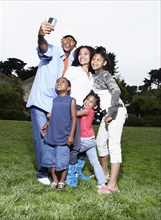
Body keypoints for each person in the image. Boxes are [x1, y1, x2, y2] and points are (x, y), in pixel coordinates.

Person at [26, 20, 77, 185]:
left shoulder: (70, 64)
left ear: (74, 46)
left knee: (55, 138)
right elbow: (43, 46)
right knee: (42, 138)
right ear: (61, 41)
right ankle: (42, 172)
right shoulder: (53, 51)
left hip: (56, 105)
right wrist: (40, 34)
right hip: (41, 101)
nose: (69, 42)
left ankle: (56, 170)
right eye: (66, 39)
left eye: (72, 41)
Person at [91, 46, 127, 194]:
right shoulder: (95, 76)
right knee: (100, 142)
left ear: (104, 63)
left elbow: (116, 90)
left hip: (116, 111)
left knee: (113, 145)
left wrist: (111, 113)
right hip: (108, 114)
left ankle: (113, 186)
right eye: (93, 59)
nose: (94, 61)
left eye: (98, 59)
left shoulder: (105, 74)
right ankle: (104, 173)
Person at [64, 45, 94, 187]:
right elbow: (63, 85)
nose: (82, 56)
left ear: (91, 57)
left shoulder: (92, 76)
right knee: (75, 143)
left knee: (84, 142)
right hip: (73, 108)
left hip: (85, 111)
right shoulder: (73, 70)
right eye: (80, 54)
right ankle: (70, 175)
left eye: (86, 53)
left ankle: (78, 171)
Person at [41, 77, 77, 189]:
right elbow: (54, 117)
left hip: (63, 137)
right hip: (51, 135)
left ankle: (62, 181)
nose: (59, 83)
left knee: (62, 161)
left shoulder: (71, 100)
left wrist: (71, 135)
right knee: (51, 160)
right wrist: (47, 124)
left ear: (69, 88)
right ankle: (54, 180)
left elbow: (74, 118)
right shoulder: (54, 100)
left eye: (63, 82)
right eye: (57, 81)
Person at [77, 90, 107, 189]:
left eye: (91, 102)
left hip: (84, 141)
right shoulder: (90, 110)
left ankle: (72, 173)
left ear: (94, 106)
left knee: (69, 152)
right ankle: (102, 182)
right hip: (91, 140)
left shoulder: (89, 111)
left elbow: (75, 113)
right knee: (95, 161)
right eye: (87, 99)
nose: (87, 102)